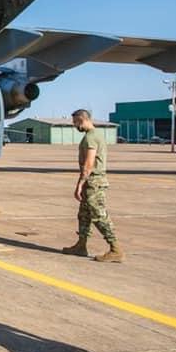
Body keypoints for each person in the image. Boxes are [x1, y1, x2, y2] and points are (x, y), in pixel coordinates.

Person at [62, 109, 123, 262]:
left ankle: (115, 249)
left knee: (99, 216)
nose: (74, 125)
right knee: (84, 216)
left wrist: (80, 184)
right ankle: (81, 246)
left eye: (75, 122)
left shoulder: (91, 137)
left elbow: (89, 163)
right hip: (91, 180)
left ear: (82, 120)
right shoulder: (94, 135)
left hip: (94, 181)